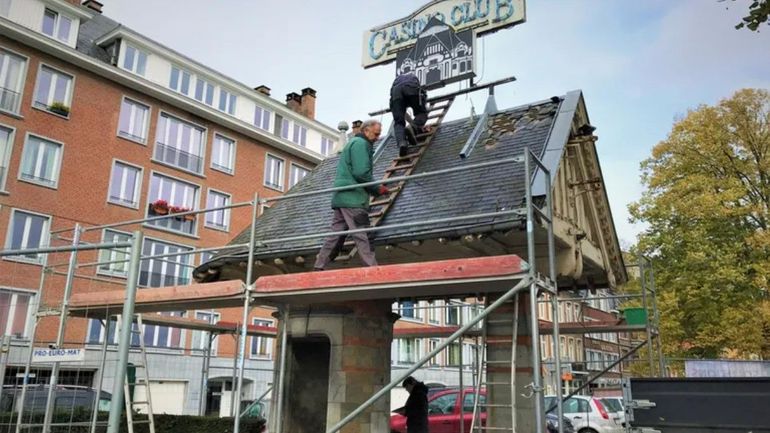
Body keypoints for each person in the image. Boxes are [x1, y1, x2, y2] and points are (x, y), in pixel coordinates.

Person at [313, 119, 389, 270]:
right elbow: (361, 172)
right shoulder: (361, 144)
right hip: (354, 197)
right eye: (376, 134)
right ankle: (372, 268)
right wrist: (377, 188)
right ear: (366, 131)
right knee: (363, 234)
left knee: (335, 234)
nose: (377, 137)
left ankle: (319, 266)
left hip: (342, 196)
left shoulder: (353, 144)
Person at [390, 73, 429, 157]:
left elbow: (392, 104)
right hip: (412, 88)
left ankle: (402, 143)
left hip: (396, 93)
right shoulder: (413, 78)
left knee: (398, 122)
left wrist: (395, 109)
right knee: (421, 113)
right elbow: (422, 97)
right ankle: (413, 128)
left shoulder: (397, 81)